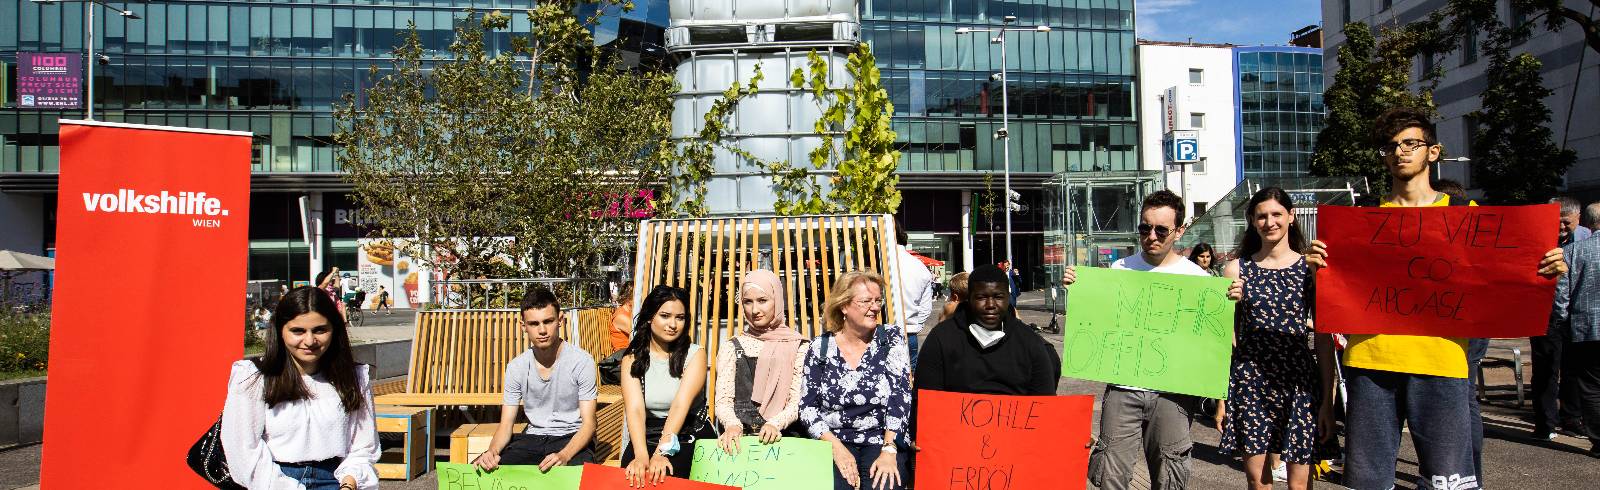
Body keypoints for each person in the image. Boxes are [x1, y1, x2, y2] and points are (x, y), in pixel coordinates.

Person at [1305, 107, 1567, 489]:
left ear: (1433, 151)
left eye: (1411, 143)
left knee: (1447, 481)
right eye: (1391, 146)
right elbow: (1336, 295)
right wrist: (1320, 271)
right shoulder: (1360, 220)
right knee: (1367, 481)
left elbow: (1504, 279)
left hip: (1442, 362)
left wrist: (1542, 269)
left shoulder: (1468, 216)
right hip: (1371, 361)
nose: (1400, 152)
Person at [1060, 189, 1243, 490]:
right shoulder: (1120, 270)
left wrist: (1231, 304)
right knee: (1110, 476)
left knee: (1169, 477)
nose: (1151, 236)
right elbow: (1097, 324)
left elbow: (1214, 346)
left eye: (1161, 229)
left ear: (1180, 230)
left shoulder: (1198, 278)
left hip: (1174, 394)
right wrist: (1078, 289)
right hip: (1123, 389)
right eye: (1145, 227)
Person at [1213, 187, 1336, 490]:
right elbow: (1222, 336)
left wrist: (1327, 402)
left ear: (1291, 217)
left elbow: (1322, 338)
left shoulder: (1311, 269)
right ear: (1253, 222)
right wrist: (1221, 396)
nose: (1270, 222)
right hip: (1250, 379)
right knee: (1258, 480)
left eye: (1276, 214)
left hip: (1298, 380)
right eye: (1262, 216)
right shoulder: (1236, 269)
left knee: (1300, 483)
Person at [222, 286, 379, 490]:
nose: (309, 341)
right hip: (271, 481)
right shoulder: (254, 376)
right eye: (297, 331)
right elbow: (243, 449)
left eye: (320, 330)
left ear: (334, 330)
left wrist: (349, 483)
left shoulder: (354, 377)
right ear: (280, 330)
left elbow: (363, 447)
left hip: (335, 480)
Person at [800, 271, 912, 490]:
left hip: (881, 437)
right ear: (843, 306)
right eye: (865, 301)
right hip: (833, 439)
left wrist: (889, 449)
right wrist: (835, 448)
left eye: (878, 300)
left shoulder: (890, 339)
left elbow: (901, 397)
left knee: (886, 484)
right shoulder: (820, 348)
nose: (875, 307)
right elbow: (807, 408)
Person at [473, 288, 599, 472]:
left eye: (548, 321)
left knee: (577, 476)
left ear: (560, 321)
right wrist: (492, 451)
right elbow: (506, 424)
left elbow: (589, 423)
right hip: (533, 438)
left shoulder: (581, 361)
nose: (542, 330)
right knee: (485, 470)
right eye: (534, 324)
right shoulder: (517, 367)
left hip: (572, 437)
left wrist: (564, 455)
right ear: (523, 326)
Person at [915, 264, 1060, 395]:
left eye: (998, 296)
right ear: (969, 299)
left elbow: (1044, 405)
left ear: (1008, 298)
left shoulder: (1030, 343)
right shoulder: (941, 338)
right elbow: (924, 403)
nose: (990, 304)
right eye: (981, 297)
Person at [619, 285, 712, 486]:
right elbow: (634, 409)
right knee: (631, 472)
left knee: (667, 474)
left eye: (680, 318)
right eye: (665, 316)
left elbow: (681, 404)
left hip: (688, 431)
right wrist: (642, 455)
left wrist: (661, 452)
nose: (673, 324)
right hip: (648, 430)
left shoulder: (695, 355)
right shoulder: (632, 359)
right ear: (650, 317)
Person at [715, 270, 810, 455]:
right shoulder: (732, 346)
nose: (755, 310)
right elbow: (723, 400)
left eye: (762, 300)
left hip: (786, 439)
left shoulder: (799, 346)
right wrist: (733, 425)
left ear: (777, 299)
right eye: (748, 302)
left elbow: (797, 401)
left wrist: (775, 424)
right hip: (740, 442)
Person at [1436, 178, 1489, 479]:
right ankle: (1470, 477)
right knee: (1465, 399)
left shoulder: (1463, 232)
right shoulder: (1473, 235)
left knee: (1461, 400)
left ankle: (1466, 476)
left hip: (1459, 329)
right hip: (1471, 326)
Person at [1550, 221, 1600, 456]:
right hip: (1585, 327)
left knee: (1590, 386)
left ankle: (1599, 440)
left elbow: (1561, 294)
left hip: (1585, 328)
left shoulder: (1573, 251)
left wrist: (1561, 320)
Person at [894, 229, 935, 363]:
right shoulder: (920, 267)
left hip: (879, 332)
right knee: (909, 378)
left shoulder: (879, 262)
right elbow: (926, 308)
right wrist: (914, 326)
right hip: (909, 333)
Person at [610, 282, 636, 353]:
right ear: (628, 298)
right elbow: (640, 333)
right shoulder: (621, 316)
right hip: (623, 356)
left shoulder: (632, 312)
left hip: (633, 353)